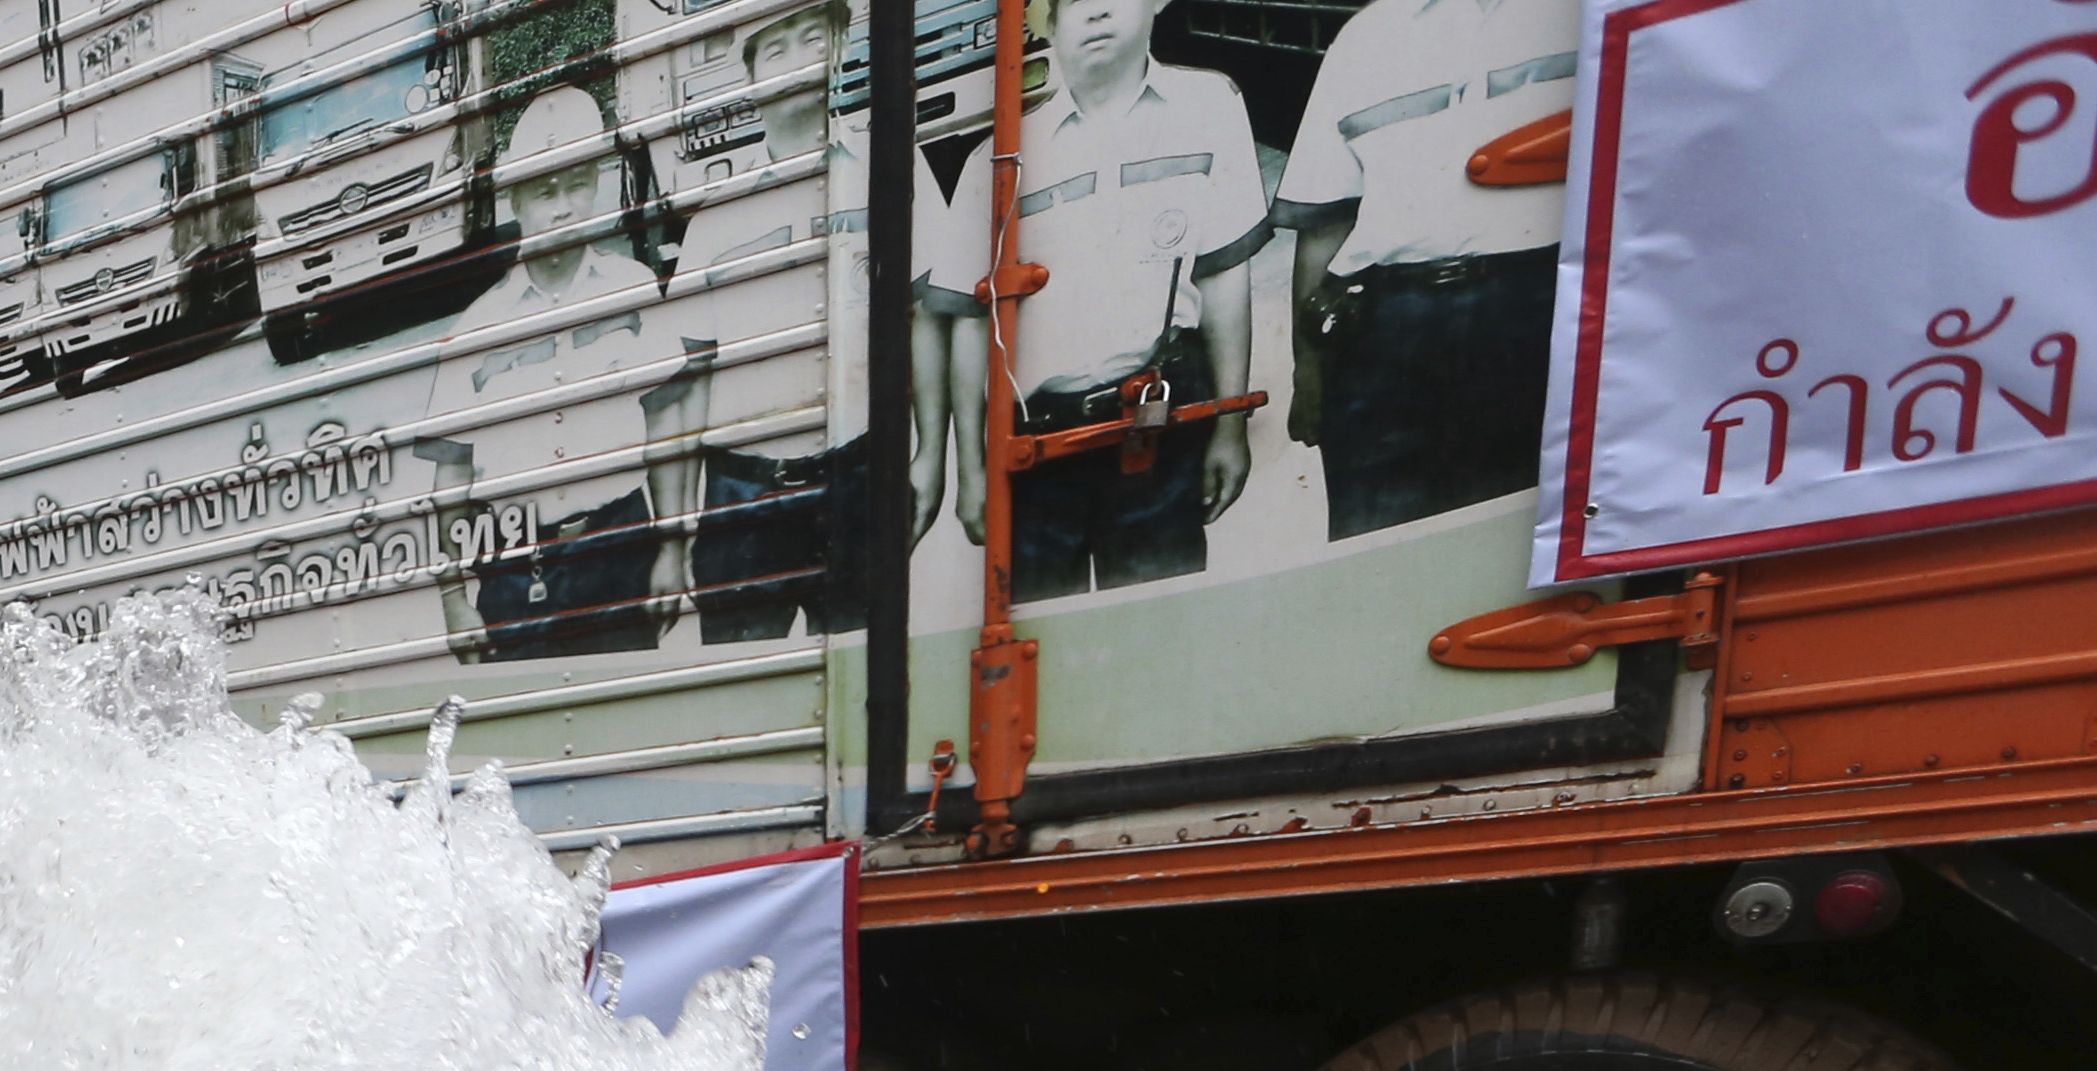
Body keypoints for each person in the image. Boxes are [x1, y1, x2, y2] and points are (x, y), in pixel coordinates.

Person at [934, 0, 1270, 601]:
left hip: (1156, 432)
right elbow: (966, 325)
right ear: (1047, 25)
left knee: (1161, 626)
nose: (1097, 14)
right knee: (1045, 638)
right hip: (1035, 452)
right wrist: (972, 472)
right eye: (1073, 3)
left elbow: (1223, 279)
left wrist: (1229, 426)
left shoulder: (1208, 108)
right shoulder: (997, 156)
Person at [659, 2, 957, 639]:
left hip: (856, 472)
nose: (796, 61)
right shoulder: (714, 222)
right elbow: (689, 383)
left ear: (843, 41)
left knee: (863, 662)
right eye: (774, 48)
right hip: (743, 494)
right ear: (749, 74)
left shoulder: (892, 173)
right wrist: (680, 523)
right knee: (740, 681)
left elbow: (923, 319)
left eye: (811, 37)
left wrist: (930, 453)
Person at [1276, 0, 1575, 540]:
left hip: (1540, 308)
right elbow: (1323, 228)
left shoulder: (1582, 13)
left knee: (1527, 542)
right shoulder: (1361, 41)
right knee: (1382, 548)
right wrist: (1309, 370)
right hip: (1385, 331)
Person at [425, 82, 687, 660]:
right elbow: (450, 483)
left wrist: (673, 547)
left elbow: (665, 427)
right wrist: (453, 597)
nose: (564, 205)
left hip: (622, 553)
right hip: (515, 573)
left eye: (578, 184)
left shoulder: (633, 292)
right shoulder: (474, 330)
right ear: (515, 202)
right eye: (545, 191)